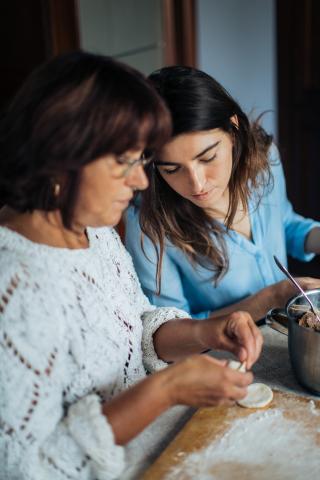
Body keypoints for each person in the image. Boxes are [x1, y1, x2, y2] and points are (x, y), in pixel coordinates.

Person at [0, 52, 262, 480]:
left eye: (142, 160)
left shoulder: (92, 229)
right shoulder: (13, 286)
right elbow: (26, 468)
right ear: (60, 157)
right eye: (125, 162)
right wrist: (166, 390)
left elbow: (137, 329)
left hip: (163, 447)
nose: (142, 181)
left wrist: (205, 333)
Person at [125, 65, 320, 322]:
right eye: (172, 169)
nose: (196, 184)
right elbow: (172, 329)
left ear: (232, 127)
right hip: (222, 357)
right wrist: (269, 299)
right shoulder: (147, 224)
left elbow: (285, 224)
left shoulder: (264, 159)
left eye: (208, 157)